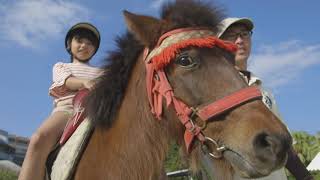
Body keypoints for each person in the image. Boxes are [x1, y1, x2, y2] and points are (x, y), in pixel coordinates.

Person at [217, 17, 314, 180]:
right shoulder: (213, 91)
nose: (240, 40)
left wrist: (306, 178)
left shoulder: (264, 90)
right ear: (218, 45)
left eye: (244, 34)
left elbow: (283, 145)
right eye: (231, 35)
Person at [18, 22, 103, 180]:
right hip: (68, 110)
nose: (84, 45)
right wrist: (85, 83)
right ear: (69, 45)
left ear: (95, 50)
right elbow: (66, 81)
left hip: (95, 111)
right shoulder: (62, 66)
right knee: (38, 138)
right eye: (79, 40)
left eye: (90, 43)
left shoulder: (101, 71)